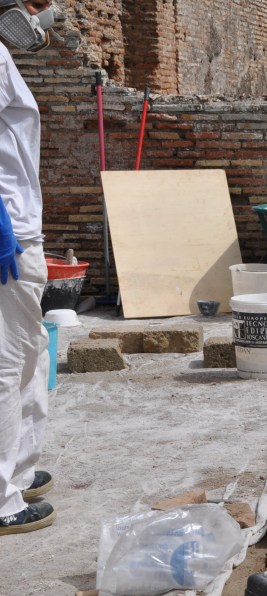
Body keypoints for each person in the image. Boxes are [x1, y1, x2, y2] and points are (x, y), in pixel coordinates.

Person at [0, 0, 59, 535]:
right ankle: (2, 500)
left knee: (28, 355)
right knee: (7, 363)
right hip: (10, 236)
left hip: (20, 231)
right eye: (39, 3)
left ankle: (17, 471)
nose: (46, 15)